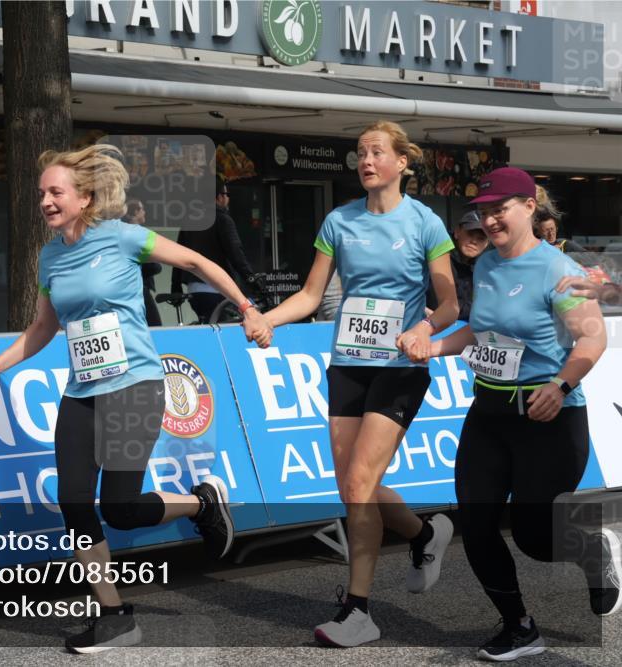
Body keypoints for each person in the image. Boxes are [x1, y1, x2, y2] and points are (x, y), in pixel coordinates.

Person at [0, 144, 272, 653]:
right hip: (82, 391)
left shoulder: (123, 237)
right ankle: (114, 615)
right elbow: (42, 328)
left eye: (56, 192)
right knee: (74, 501)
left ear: (84, 198)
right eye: (41, 193)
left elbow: (195, 261)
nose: (45, 201)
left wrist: (247, 307)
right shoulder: (49, 256)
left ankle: (201, 502)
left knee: (121, 508)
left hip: (134, 387)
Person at [263, 120, 460, 648]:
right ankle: (424, 532)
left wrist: (424, 330)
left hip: (400, 368)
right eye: (360, 153)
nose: (366, 161)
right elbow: (311, 295)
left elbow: (449, 305)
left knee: (358, 485)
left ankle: (359, 610)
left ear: (402, 163)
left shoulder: (424, 223)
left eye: (376, 152)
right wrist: (267, 320)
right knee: (354, 486)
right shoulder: (339, 220)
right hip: (348, 363)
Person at [426, 167, 618, 661]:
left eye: (500, 210)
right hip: (489, 411)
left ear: (529, 207)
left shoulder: (559, 269)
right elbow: (479, 330)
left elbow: (592, 336)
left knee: (535, 536)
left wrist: (561, 384)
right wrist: (433, 346)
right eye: (484, 212)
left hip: (547, 416)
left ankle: (593, 552)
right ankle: (519, 627)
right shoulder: (487, 265)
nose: (490, 220)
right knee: (477, 522)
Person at [171, 177, 256, 323]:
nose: (228, 199)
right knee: (228, 327)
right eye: (227, 195)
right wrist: (252, 280)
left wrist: (175, 287)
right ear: (219, 197)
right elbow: (236, 254)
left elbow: (179, 255)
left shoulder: (189, 221)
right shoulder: (223, 219)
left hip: (194, 290)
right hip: (218, 288)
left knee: (207, 325)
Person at [428, 210, 489, 321]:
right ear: (457, 232)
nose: (474, 241)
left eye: (481, 238)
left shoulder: (485, 267)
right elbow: (442, 307)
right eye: (470, 234)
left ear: (486, 244)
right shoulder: (440, 257)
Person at [122, 198, 162, 326]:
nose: (144, 212)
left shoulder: (124, 233)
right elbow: (154, 267)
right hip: (139, 288)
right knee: (155, 325)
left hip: (133, 288)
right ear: (135, 212)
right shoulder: (136, 235)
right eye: (142, 209)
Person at [533, 188, 585, 253]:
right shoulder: (534, 248)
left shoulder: (566, 244)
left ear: (557, 228)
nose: (550, 234)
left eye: (552, 229)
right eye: (546, 231)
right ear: (538, 232)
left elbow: (588, 255)